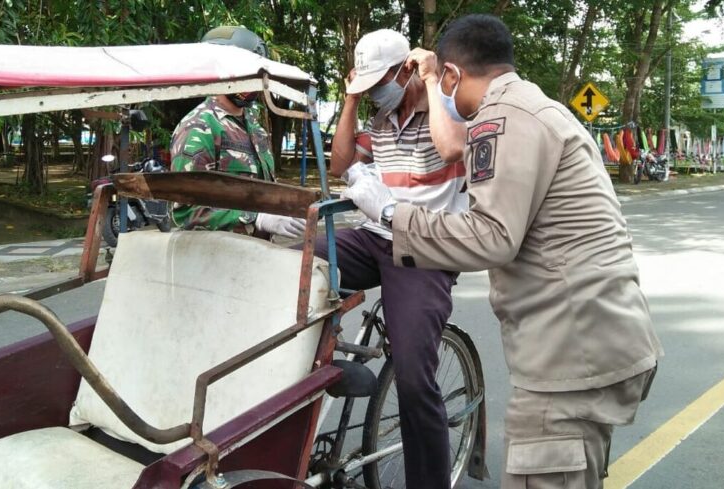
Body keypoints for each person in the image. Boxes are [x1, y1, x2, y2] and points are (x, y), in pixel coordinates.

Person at [342, 15, 663, 489]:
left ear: (451, 74)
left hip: (569, 354)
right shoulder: (530, 108)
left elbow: (491, 236)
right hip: (589, 339)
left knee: (421, 379)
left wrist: (390, 212)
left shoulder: (504, 117)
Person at [317, 29, 469, 489]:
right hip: (375, 236)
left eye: (378, 82)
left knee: (414, 381)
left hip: (425, 248)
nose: (373, 93)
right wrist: (350, 99)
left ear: (406, 70)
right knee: (299, 258)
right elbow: (340, 164)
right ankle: (318, 357)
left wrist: (433, 80)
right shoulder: (381, 117)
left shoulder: (450, 106)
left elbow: (453, 149)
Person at [170, 25, 305, 240]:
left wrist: (286, 206)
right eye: (245, 70)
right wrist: (255, 219)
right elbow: (186, 212)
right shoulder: (198, 128)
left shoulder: (255, 128)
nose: (252, 79)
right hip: (217, 254)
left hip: (257, 250)